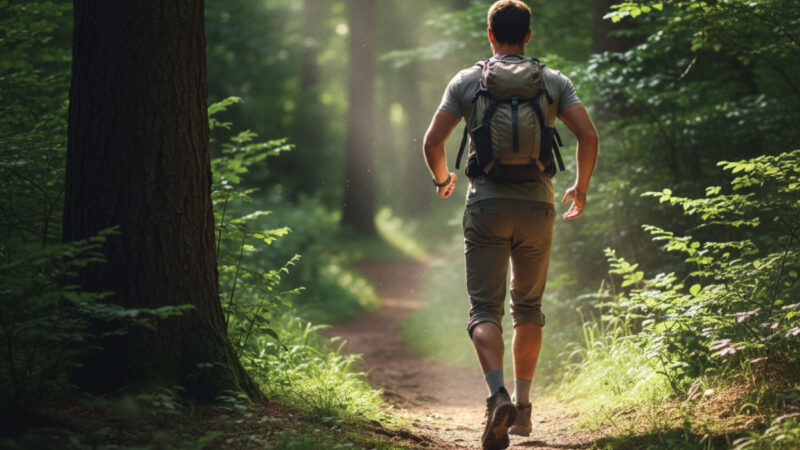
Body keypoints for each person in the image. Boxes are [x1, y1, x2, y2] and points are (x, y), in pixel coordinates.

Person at [422, 1, 599, 448]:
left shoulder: (466, 81)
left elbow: (432, 142)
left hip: (486, 205)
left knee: (485, 309)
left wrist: (444, 180)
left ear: (490, 34)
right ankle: (521, 408)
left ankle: (496, 393)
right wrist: (579, 188)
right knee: (528, 309)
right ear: (529, 35)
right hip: (538, 207)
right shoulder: (553, 81)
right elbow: (588, 136)